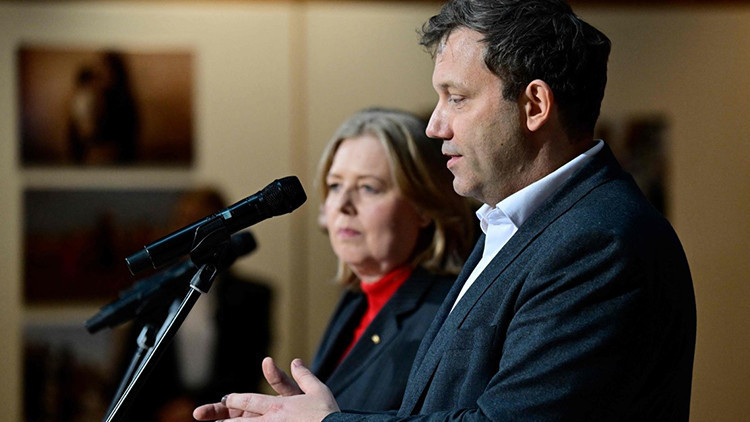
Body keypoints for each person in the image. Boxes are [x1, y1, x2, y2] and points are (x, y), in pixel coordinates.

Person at [194, 0, 697, 420]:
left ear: (534, 106)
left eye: (456, 98)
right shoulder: (514, 223)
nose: (435, 126)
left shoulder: (598, 242)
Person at [311, 108, 475, 411]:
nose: (343, 205)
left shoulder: (447, 317)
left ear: (424, 205)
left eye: (368, 187)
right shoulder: (356, 299)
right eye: (335, 185)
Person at [116, 188, 272, 422]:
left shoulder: (253, 296)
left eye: (198, 221)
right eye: (182, 220)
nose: (189, 231)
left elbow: (249, 367)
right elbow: (133, 369)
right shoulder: (152, 294)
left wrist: (196, 406)